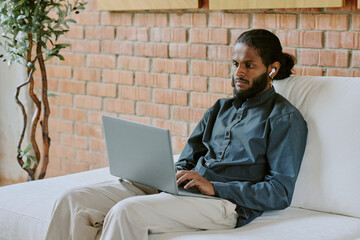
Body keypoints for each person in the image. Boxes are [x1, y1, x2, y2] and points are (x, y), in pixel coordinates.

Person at [44, 29, 308, 240]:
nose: (238, 73)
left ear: (271, 69)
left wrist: (214, 187)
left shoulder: (284, 118)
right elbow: (187, 159)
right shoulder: (220, 108)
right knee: (72, 200)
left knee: (127, 212)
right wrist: (167, 176)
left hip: (225, 204)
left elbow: (279, 192)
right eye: (235, 63)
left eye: (249, 66)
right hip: (187, 188)